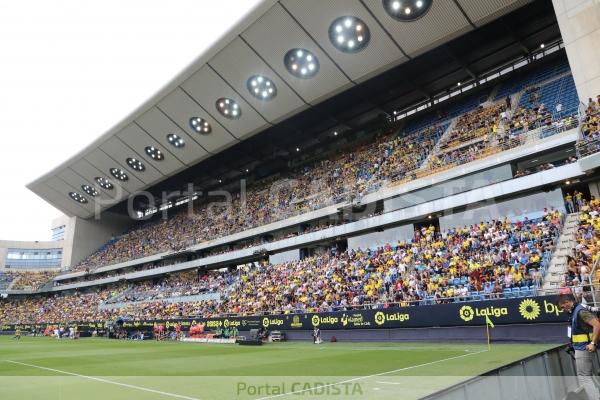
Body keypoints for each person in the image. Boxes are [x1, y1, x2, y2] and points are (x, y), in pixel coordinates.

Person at [558, 294, 600, 400]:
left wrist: (593, 343)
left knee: (584, 377)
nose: (562, 309)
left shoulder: (580, 311)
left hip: (584, 348)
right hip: (580, 347)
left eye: (562, 307)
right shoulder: (576, 311)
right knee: (586, 375)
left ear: (567, 302)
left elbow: (597, 325)